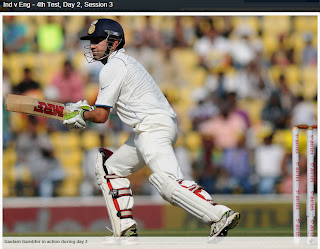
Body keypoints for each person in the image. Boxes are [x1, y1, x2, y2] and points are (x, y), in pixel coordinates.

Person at [63, 18, 239, 238]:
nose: (92, 45)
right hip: (150, 127)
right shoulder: (125, 63)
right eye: (91, 41)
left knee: (166, 182)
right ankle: (124, 227)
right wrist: (84, 109)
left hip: (152, 127)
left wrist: (81, 114)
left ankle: (218, 214)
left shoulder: (113, 68)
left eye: (98, 40)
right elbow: (120, 106)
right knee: (109, 169)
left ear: (114, 42)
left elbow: (100, 116)